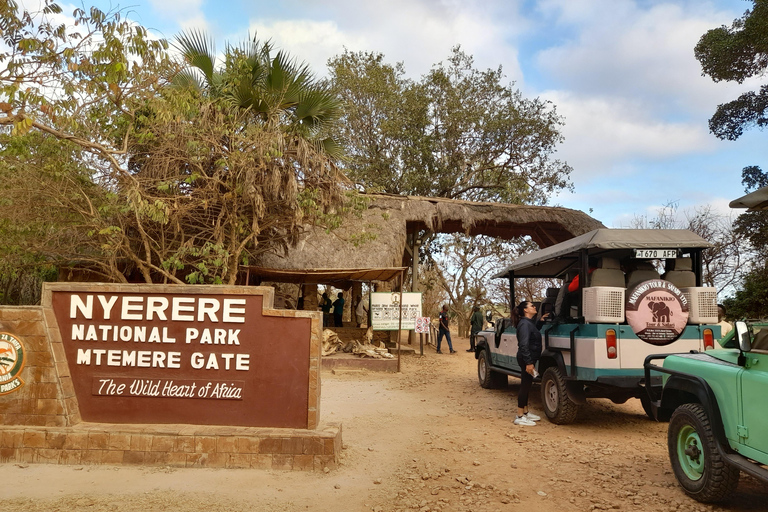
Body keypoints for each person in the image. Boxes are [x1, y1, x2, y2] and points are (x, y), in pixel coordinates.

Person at [512, 300, 545, 426]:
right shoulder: (524, 324)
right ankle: (519, 415)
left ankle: (525, 413)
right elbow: (524, 345)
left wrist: (541, 321)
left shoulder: (529, 323)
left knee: (528, 384)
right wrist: (529, 363)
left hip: (529, 358)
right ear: (525, 310)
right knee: (525, 386)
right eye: (532, 306)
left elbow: (534, 332)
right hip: (527, 359)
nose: (534, 307)